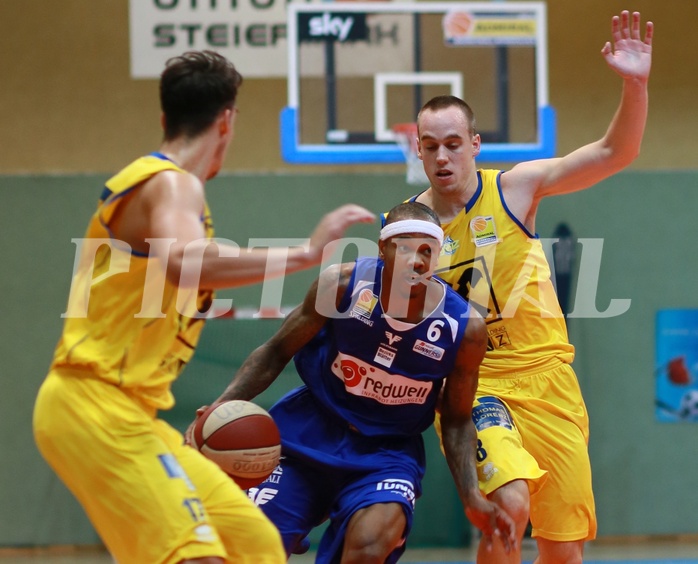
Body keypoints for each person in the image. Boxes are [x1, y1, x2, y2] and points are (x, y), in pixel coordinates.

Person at [32, 50, 375, 564]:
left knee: (254, 544)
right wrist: (306, 253)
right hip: (93, 405)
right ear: (227, 120)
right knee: (199, 557)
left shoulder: (164, 189)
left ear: (165, 117)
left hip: (133, 413)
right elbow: (187, 263)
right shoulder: (172, 183)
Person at [393, 11, 653, 564]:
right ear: (417, 150)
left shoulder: (516, 190)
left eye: (454, 143)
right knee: (507, 510)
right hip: (475, 384)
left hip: (550, 378)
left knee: (563, 550)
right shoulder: (407, 226)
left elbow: (615, 153)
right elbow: (397, 318)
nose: (443, 156)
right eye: (431, 145)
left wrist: (635, 84)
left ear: (475, 145)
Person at [194, 202, 517, 563]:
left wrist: (471, 493)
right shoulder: (343, 285)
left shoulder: (464, 328)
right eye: (405, 247)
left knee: (367, 548)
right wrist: (220, 406)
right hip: (311, 430)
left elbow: (457, 419)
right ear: (383, 249)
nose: (417, 260)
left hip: (387, 453)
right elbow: (275, 352)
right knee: (248, 545)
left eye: (427, 250)